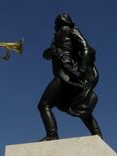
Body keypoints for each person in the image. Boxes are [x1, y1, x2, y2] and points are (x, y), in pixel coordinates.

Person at [37, 13, 102, 141]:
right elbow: (45, 55)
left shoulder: (71, 30)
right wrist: (51, 51)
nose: (57, 26)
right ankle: (97, 133)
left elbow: (86, 49)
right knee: (78, 106)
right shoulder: (58, 38)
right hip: (65, 75)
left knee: (44, 104)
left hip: (66, 75)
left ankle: (52, 135)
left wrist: (82, 70)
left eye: (58, 23)